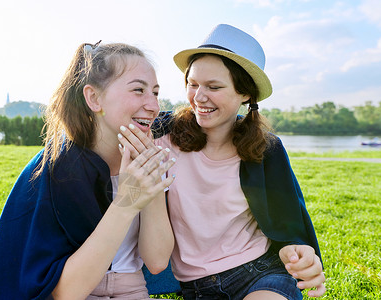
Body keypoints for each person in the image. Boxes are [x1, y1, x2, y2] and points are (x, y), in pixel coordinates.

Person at [122, 24, 326, 299]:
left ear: (246, 94)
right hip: (197, 288)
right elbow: (105, 126)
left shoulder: (267, 148)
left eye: (214, 87)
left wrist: (300, 253)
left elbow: (290, 223)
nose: (199, 97)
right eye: (192, 84)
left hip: (261, 274)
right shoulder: (160, 134)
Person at [0, 41, 176, 300]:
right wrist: (127, 201)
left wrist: (151, 184)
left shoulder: (148, 159)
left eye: (155, 93)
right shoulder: (55, 168)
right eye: (139, 90)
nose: (153, 105)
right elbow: (68, 292)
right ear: (93, 98)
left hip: (132, 288)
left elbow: (157, 261)